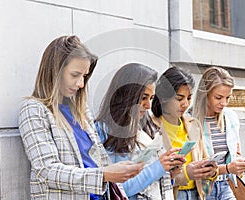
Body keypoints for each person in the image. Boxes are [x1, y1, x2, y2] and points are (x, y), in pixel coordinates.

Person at [18, 35, 144, 200]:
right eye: (75, 75)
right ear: (55, 72)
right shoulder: (34, 110)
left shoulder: (80, 110)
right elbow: (47, 170)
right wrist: (104, 175)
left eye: (84, 76)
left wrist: (118, 173)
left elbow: (101, 159)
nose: (81, 84)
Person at [95, 63, 185, 200]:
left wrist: (169, 172)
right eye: (143, 97)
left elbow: (153, 180)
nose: (148, 105)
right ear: (127, 95)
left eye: (151, 98)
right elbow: (117, 190)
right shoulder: (103, 131)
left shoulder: (145, 128)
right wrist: (159, 167)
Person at [151, 66, 218, 200]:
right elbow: (151, 178)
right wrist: (186, 174)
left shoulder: (193, 124)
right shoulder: (150, 127)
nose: (185, 104)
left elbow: (205, 158)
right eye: (179, 98)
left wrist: (211, 171)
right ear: (164, 97)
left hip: (197, 193)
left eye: (189, 98)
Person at [192, 66, 245, 200]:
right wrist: (227, 168)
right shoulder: (189, 121)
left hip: (227, 186)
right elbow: (194, 167)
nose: (224, 103)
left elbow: (236, 154)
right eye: (218, 97)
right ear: (205, 93)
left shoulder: (230, 117)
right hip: (200, 190)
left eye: (227, 98)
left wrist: (243, 164)